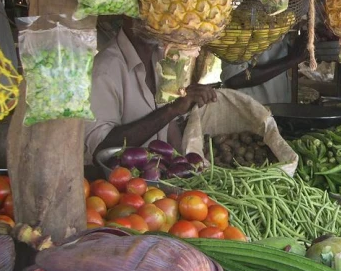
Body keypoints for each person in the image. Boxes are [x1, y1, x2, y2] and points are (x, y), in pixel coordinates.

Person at [85, 16, 217, 164]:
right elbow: (100, 147)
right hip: (120, 183)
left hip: (156, 178)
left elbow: (168, 125)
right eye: (146, 10)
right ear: (127, 14)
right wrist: (173, 109)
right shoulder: (105, 71)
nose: (156, 18)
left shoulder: (162, 58)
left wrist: (184, 163)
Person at [220, 31, 308, 104]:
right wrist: (290, 60)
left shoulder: (278, 23)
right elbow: (235, 79)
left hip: (277, 110)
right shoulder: (238, 29)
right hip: (250, 113)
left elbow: (275, 54)